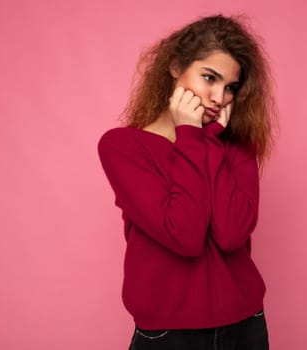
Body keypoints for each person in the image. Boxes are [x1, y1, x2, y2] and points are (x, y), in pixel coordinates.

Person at [98, 14, 277, 350]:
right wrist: (191, 135)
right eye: (209, 77)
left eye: (230, 88)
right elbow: (185, 235)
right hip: (168, 333)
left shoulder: (236, 147)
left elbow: (231, 234)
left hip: (245, 326)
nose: (219, 97)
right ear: (176, 66)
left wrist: (209, 140)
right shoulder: (122, 147)